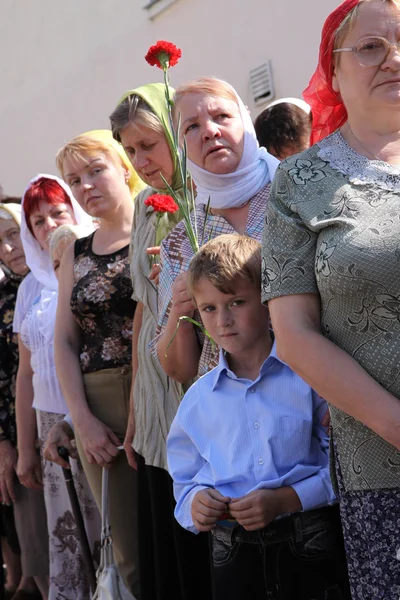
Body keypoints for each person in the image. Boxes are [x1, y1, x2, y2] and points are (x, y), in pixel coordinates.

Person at [261, 0, 400, 598]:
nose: (393, 57)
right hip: (383, 461)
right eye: (371, 46)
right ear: (333, 71)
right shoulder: (300, 181)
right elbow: (293, 335)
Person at [167, 234, 351, 600]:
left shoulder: (310, 377)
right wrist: (194, 504)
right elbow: (184, 479)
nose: (224, 320)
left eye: (237, 302)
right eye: (209, 308)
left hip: (309, 541)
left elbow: (343, 465)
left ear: (268, 301)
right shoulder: (198, 400)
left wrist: (287, 499)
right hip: (232, 552)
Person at [109, 84, 213, 600]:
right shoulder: (146, 204)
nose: (141, 160)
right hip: (156, 394)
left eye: (148, 144)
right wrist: (133, 410)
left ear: (174, 132)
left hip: (204, 387)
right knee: (169, 552)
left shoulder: (209, 191)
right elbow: (142, 309)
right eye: (130, 151)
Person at [54, 130, 144, 598]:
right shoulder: (74, 251)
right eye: (75, 179)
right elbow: (63, 344)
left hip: (161, 393)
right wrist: (82, 421)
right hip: (100, 407)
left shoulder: (159, 228)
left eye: (95, 170)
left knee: (182, 529)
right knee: (127, 548)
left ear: (123, 167)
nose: (85, 185)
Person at [154, 77, 279, 384]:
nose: (210, 131)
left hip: (320, 395)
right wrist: (181, 308)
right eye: (191, 127)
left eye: (222, 116)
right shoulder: (180, 242)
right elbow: (179, 370)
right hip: (234, 416)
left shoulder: (297, 196)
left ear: (245, 120)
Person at [15, 175, 97, 600]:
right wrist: (26, 447)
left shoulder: (92, 266)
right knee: (70, 538)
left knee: (106, 530)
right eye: (38, 221)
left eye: (57, 213)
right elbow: (25, 374)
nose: (49, 227)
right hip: (48, 426)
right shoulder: (30, 288)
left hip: (95, 415)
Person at [0, 202, 45, 600]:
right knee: (36, 544)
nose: (10, 248)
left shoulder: (52, 280)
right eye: (0, 242)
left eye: (14, 234)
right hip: (18, 429)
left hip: (62, 417)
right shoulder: (4, 298)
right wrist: (6, 442)